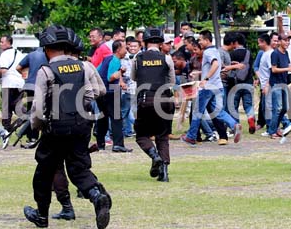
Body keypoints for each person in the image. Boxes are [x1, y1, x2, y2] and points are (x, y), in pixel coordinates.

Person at [23, 25, 112, 229]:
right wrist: (82, 100)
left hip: (56, 128)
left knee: (44, 171)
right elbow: (100, 90)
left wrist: (36, 126)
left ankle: (42, 215)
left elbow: (37, 109)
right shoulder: (84, 66)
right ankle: (97, 196)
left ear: (47, 49)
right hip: (82, 125)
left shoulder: (46, 71)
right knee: (78, 168)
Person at [181, 30, 243, 145]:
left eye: (200, 39)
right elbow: (216, 67)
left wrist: (205, 79)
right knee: (218, 112)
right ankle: (234, 125)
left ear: (206, 40)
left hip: (208, 87)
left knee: (197, 111)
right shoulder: (216, 51)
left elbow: (215, 64)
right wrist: (201, 73)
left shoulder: (208, 52)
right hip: (218, 86)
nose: (199, 42)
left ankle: (191, 136)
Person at [131, 28, 176, 181]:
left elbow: (134, 77)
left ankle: (154, 155)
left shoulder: (138, 57)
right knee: (162, 136)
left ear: (145, 42)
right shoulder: (167, 58)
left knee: (141, 135)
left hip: (145, 100)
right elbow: (172, 82)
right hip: (164, 99)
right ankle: (164, 173)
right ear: (161, 43)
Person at [95, 40, 132, 152]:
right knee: (116, 118)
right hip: (111, 92)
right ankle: (118, 144)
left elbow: (97, 71)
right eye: (125, 48)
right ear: (118, 49)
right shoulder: (115, 60)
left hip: (101, 92)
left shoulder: (108, 58)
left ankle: (100, 144)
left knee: (103, 117)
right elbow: (110, 77)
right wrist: (121, 71)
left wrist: (121, 82)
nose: (127, 50)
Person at [267, 33, 291, 139]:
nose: (287, 43)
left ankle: (275, 128)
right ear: (280, 41)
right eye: (285, 40)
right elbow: (274, 69)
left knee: (285, 108)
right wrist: (288, 69)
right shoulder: (275, 54)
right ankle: (272, 131)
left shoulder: (285, 53)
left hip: (284, 82)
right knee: (278, 108)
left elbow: (289, 65)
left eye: (288, 41)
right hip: (276, 83)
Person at [16, 45, 49, 147]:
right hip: (41, 86)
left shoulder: (31, 54)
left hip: (30, 85)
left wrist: (24, 73)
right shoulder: (48, 55)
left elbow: (18, 67)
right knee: (42, 111)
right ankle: (39, 136)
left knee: (31, 111)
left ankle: (31, 137)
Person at [228, 33, 255, 134]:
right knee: (248, 105)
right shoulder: (249, 53)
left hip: (235, 84)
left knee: (233, 106)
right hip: (248, 83)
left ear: (235, 42)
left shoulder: (232, 54)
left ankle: (236, 126)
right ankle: (251, 118)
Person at [0, 35, 25, 130]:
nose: (0, 44)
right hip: (20, 83)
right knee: (17, 105)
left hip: (8, 83)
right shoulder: (20, 53)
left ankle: (6, 128)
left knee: (6, 107)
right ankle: (27, 116)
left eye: (2, 42)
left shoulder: (4, 54)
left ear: (8, 43)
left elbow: (3, 70)